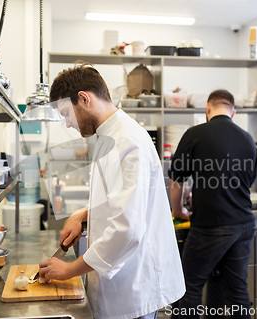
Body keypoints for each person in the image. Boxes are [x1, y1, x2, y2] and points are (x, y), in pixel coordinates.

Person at [38, 63, 185, 319]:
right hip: (122, 286)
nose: (68, 124)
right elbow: (120, 201)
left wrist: (70, 269)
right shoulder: (111, 136)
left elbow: (127, 229)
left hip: (133, 289)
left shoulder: (127, 141)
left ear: (83, 99)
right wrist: (83, 216)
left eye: (65, 113)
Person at [168, 89, 257, 319]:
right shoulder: (248, 140)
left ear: (207, 109)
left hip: (210, 226)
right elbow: (248, 182)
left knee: (189, 287)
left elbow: (176, 179)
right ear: (233, 112)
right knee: (237, 291)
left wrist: (178, 210)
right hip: (244, 225)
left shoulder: (196, 134)